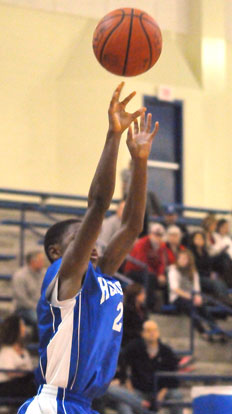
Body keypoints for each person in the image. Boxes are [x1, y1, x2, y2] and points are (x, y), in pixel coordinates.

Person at [18, 82, 159, 414]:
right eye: (81, 238)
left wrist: (139, 161)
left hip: (85, 405)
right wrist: (113, 136)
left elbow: (133, 227)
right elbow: (98, 205)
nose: (92, 243)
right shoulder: (63, 276)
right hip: (53, 403)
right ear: (56, 252)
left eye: (93, 238)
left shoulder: (102, 274)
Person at [116, 320, 183, 414]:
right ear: (142, 333)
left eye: (154, 330)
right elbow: (122, 365)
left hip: (160, 390)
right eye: (148, 330)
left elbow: (172, 376)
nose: (152, 333)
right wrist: (129, 387)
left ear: (158, 332)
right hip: (139, 390)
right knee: (123, 402)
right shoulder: (133, 348)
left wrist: (162, 393)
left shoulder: (166, 352)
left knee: (176, 395)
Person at [168, 250, 218, 340]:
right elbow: (174, 288)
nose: (184, 260)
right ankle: (202, 331)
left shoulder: (193, 271)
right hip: (178, 297)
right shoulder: (173, 270)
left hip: (192, 296)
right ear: (178, 259)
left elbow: (197, 287)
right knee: (191, 307)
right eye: (182, 258)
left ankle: (216, 329)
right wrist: (190, 297)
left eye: (186, 259)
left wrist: (198, 297)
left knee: (203, 307)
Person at [124, 223, 167, 311]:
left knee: (164, 278)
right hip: (133, 270)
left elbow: (161, 263)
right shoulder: (142, 243)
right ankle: (147, 305)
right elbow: (141, 261)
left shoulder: (161, 246)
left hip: (148, 271)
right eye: (155, 235)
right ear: (150, 234)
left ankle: (165, 306)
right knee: (150, 277)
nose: (157, 237)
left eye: (160, 235)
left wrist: (160, 274)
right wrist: (156, 274)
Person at [0, 314, 36, 399]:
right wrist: (25, 373)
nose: (24, 328)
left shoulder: (25, 352)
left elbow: (28, 370)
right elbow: (10, 373)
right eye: (22, 325)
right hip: (6, 386)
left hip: (22, 385)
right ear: (15, 329)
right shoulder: (6, 351)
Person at [12, 251, 45, 337]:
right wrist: (38, 307)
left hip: (41, 306)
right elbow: (21, 299)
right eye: (41, 260)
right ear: (32, 262)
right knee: (39, 318)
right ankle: (40, 343)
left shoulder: (44, 274)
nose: (43, 262)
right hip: (24, 309)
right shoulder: (20, 276)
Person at [189, 231, 229, 301]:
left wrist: (211, 273)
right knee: (217, 284)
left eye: (201, 238)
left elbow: (209, 265)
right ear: (193, 240)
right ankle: (224, 303)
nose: (200, 240)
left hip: (206, 275)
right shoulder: (190, 252)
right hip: (197, 277)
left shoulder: (205, 252)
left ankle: (225, 302)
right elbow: (196, 267)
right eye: (197, 238)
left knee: (222, 283)